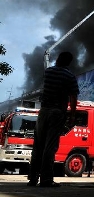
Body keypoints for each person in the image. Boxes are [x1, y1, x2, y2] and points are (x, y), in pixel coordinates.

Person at [27, 51, 79, 187]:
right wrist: (72, 116)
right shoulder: (70, 76)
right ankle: (46, 179)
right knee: (50, 147)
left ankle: (33, 178)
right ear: (69, 63)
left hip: (43, 111)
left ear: (58, 59)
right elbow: (73, 98)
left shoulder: (48, 72)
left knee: (38, 146)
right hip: (57, 112)